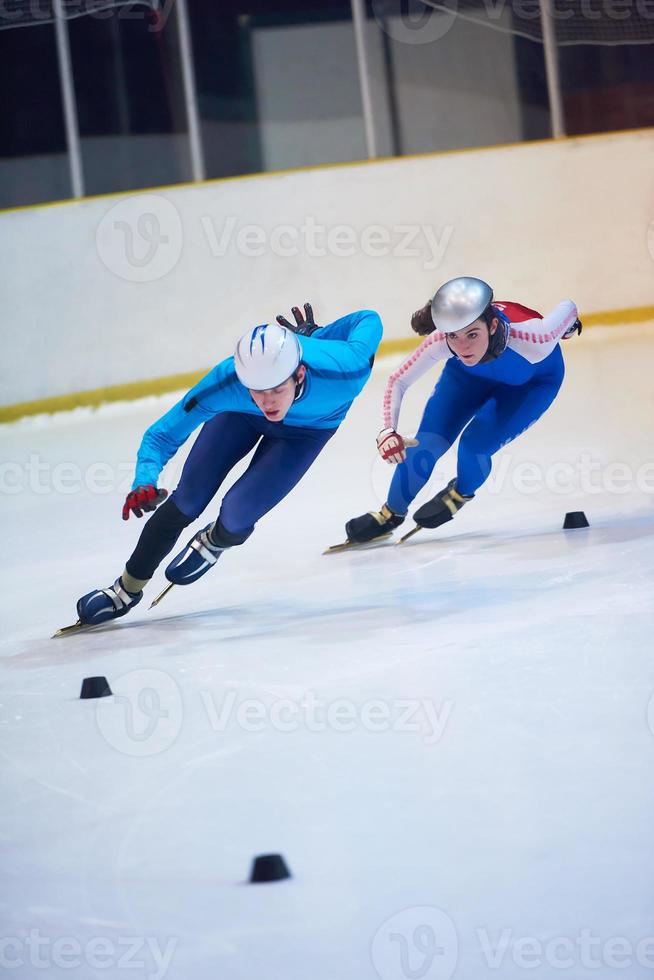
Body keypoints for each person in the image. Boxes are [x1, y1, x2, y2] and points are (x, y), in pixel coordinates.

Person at [75, 305, 382, 626]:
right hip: (240, 417)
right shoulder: (228, 381)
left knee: (237, 514)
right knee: (188, 499)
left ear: (299, 374)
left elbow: (368, 319)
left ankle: (217, 539)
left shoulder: (345, 371)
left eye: (278, 389)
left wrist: (320, 336)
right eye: (258, 391)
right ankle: (125, 590)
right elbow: (161, 435)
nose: (269, 402)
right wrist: (145, 480)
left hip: (307, 433)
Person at [345, 277, 581, 544]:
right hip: (469, 377)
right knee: (425, 443)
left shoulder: (534, 337)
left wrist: (568, 325)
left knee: (473, 447)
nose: (462, 346)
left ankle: (461, 493)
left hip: (530, 385)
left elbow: (568, 306)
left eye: (472, 334)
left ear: (492, 325)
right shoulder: (443, 342)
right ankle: (390, 514)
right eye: (453, 336)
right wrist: (388, 430)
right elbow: (398, 380)